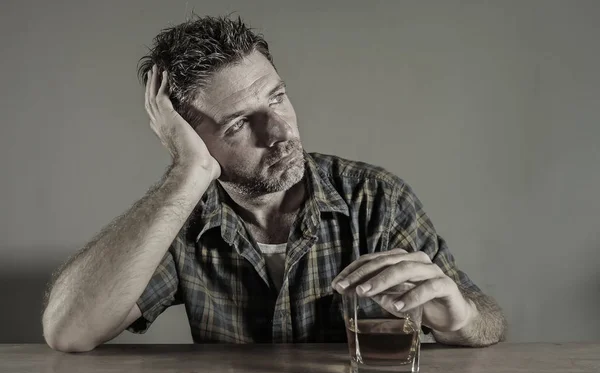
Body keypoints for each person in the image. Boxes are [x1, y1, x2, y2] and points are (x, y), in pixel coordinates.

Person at [42, 15, 507, 352]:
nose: (281, 131)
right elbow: (69, 331)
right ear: (189, 139)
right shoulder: (183, 217)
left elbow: (489, 321)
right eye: (240, 123)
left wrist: (460, 318)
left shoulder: (375, 198)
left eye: (278, 98)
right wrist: (187, 174)